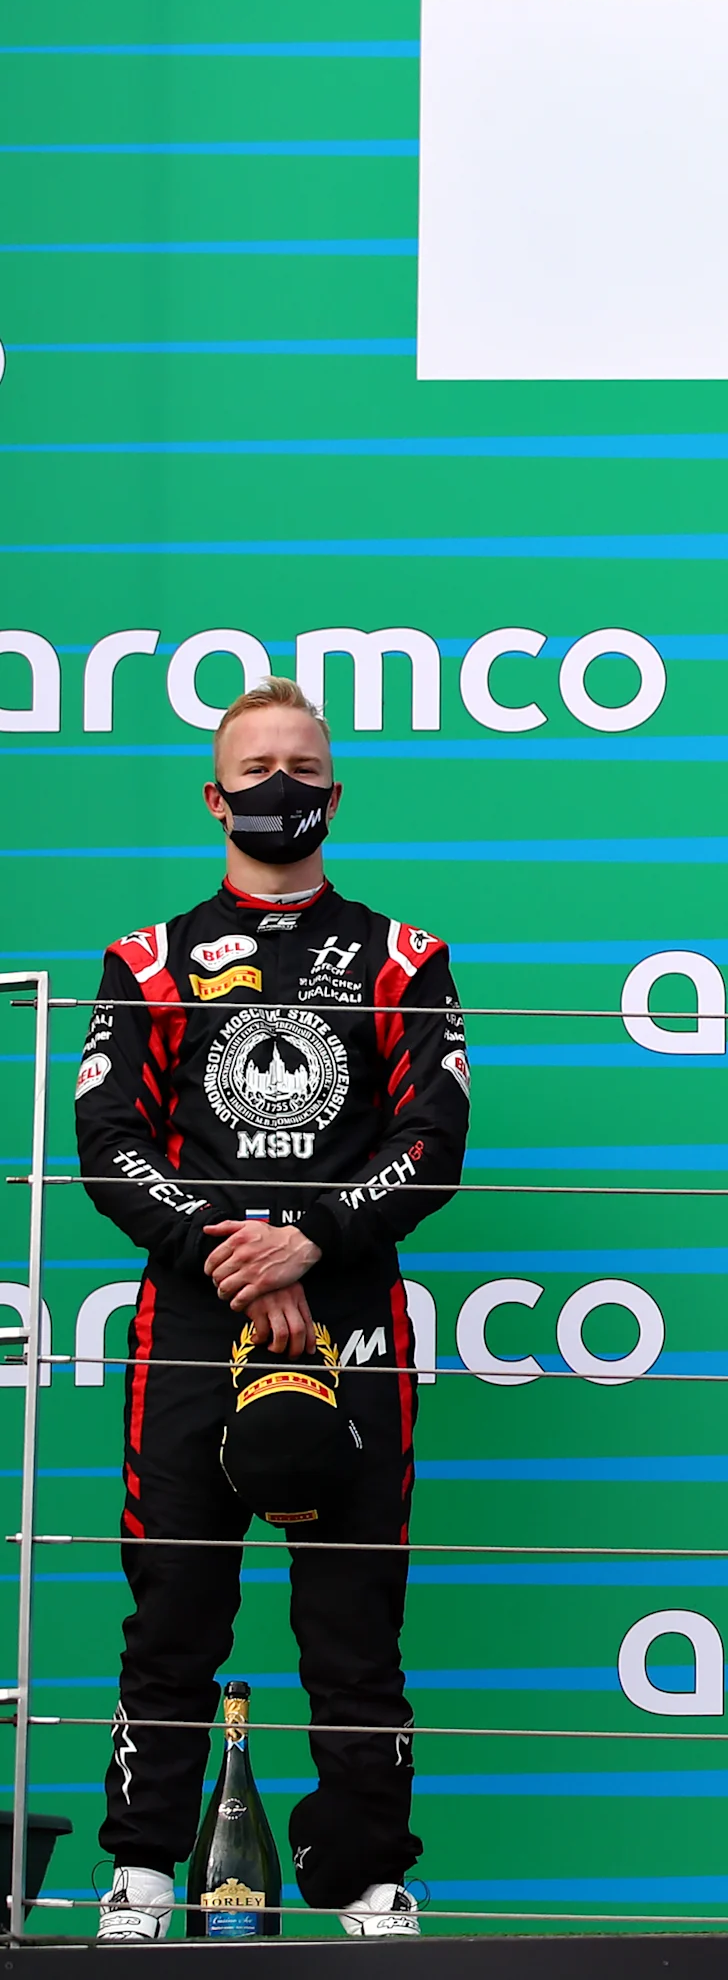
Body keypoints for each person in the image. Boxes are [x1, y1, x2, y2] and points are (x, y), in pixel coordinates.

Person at [73, 677, 466, 1939]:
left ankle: (366, 1874)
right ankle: (141, 1866)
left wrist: (311, 1240)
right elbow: (106, 1136)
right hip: (190, 1318)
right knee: (174, 1602)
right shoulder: (147, 957)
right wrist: (224, 1250)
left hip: (353, 1314)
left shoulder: (406, 955)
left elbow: (434, 1136)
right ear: (215, 795)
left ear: (333, 794)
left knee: (353, 1617)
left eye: (301, 766)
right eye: (256, 768)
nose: (279, 787)